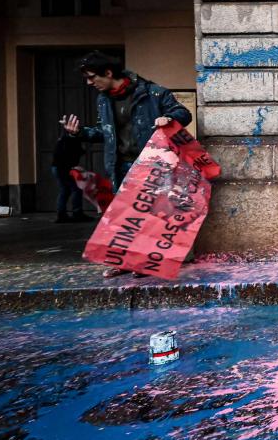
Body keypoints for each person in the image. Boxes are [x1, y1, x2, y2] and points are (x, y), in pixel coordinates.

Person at [61, 51, 192, 276]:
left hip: (151, 164)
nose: (89, 83)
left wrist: (169, 119)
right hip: (119, 166)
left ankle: (142, 261)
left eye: (92, 77)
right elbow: (106, 132)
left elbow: (183, 113)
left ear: (109, 72)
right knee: (122, 216)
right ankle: (121, 261)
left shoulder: (153, 92)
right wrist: (79, 133)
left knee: (150, 214)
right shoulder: (104, 99)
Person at [50, 130, 90, 223]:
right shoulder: (70, 140)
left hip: (57, 167)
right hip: (62, 168)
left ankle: (61, 214)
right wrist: (73, 167)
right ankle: (77, 213)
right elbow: (69, 156)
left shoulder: (64, 139)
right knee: (76, 189)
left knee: (65, 190)